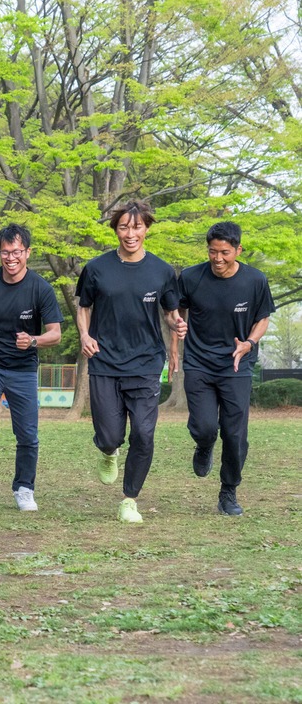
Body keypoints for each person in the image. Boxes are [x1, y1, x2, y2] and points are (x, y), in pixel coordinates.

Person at [75, 201, 186, 524]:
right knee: (110, 435)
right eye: (124, 227)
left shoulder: (162, 270)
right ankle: (109, 451)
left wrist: (177, 324)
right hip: (104, 360)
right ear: (116, 230)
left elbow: (170, 311)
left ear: (147, 228)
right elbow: (84, 306)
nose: (130, 233)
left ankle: (129, 499)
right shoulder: (96, 268)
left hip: (146, 362)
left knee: (144, 433)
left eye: (137, 227)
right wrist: (84, 335)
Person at [0, 224, 63, 512]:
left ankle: (24, 488)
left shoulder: (40, 289)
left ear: (27, 252)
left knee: (28, 435)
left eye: (17, 251)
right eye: (5, 252)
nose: (11, 258)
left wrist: (33, 340)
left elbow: (55, 333)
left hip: (23, 369)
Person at [177, 221, 274, 516]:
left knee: (235, 434)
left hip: (237, 364)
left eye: (225, 252)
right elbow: (178, 308)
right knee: (206, 426)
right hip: (198, 363)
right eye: (212, 252)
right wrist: (178, 324)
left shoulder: (255, 280)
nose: (218, 259)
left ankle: (228, 492)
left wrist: (249, 342)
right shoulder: (191, 277)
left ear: (238, 250)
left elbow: (263, 317)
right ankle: (204, 444)